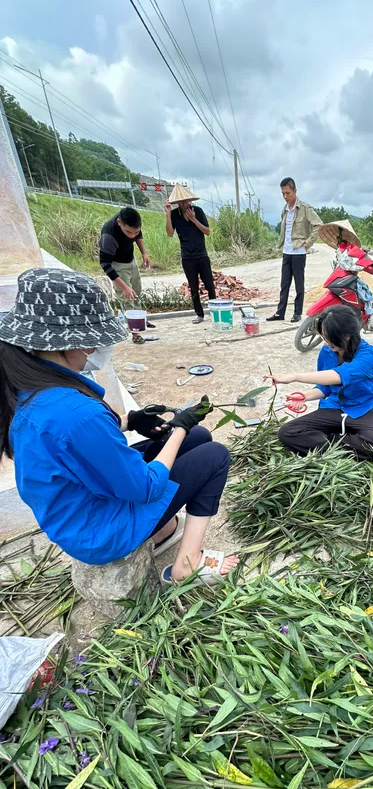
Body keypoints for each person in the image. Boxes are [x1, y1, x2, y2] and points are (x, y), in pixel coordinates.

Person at [0, 268, 238, 584]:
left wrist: (129, 422)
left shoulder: (31, 386)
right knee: (214, 455)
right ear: (66, 342)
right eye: (89, 343)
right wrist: (179, 426)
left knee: (198, 436)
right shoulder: (75, 413)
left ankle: (157, 529)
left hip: (79, 510)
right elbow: (145, 487)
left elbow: (72, 446)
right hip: (100, 532)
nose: (93, 351)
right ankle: (187, 562)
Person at [266, 305, 373, 461]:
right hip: (332, 408)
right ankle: (342, 447)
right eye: (324, 336)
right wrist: (305, 396)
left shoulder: (367, 354)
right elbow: (325, 388)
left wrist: (295, 376)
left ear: (347, 335)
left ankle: (329, 444)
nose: (326, 342)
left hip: (361, 408)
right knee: (288, 431)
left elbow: (337, 376)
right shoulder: (327, 351)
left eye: (331, 338)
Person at [267, 177, 322, 324]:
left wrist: (308, 243)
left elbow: (318, 225)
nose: (285, 197)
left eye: (288, 193)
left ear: (295, 191)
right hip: (286, 252)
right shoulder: (284, 210)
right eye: (283, 193)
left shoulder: (305, 209)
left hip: (299, 253)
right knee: (284, 284)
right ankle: (280, 312)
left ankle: (297, 313)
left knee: (299, 284)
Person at [164, 184, 216, 324]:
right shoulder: (175, 215)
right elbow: (169, 233)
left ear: (190, 201)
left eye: (186, 201)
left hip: (202, 255)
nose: (184, 204)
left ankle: (214, 311)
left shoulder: (198, 211)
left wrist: (193, 219)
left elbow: (207, 231)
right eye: (181, 201)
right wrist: (168, 215)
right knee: (194, 287)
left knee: (210, 285)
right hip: (187, 257)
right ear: (177, 203)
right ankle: (199, 314)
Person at [99, 206, 151, 314]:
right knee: (127, 296)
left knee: (136, 292)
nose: (132, 236)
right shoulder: (109, 235)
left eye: (135, 232)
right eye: (128, 232)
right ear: (119, 222)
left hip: (131, 260)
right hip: (117, 265)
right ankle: (132, 325)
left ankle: (140, 320)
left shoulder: (132, 221)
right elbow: (105, 264)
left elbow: (138, 234)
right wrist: (124, 287)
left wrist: (144, 253)